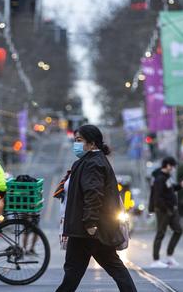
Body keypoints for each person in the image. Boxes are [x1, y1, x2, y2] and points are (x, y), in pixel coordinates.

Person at [56, 125, 137, 292]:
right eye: (75, 140)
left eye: (79, 141)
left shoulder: (93, 163)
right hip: (84, 229)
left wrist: (90, 223)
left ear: (92, 144)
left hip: (90, 229)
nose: (75, 144)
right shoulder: (88, 161)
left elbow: (93, 194)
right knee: (73, 273)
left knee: (110, 268)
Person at [151, 156, 183, 268]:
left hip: (171, 210)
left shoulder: (167, 177)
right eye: (173, 166)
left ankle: (169, 256)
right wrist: (166, 209)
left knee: (178, 230)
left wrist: (180, 185)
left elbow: (171, 189)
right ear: (167, 165)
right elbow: (158, 197)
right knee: (160, 233)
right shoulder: (159, 178)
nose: (174, 169)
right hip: (163, 210)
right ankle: (156, 260)